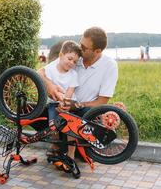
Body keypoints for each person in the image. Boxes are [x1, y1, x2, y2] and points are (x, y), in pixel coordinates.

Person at [39, 27, 118, 159]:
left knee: (82, 149)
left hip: (86, 113)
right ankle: (58, 143)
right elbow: (40, 72)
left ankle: (72, 148)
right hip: (61, 107)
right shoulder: (74, 57)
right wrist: (50, 86)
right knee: (32, 110)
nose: (79, 48)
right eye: (80, 43)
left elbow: (102, 102)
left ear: (97, 51)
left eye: (84, 47)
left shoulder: (109, 66)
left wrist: (74, 105)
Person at [42, 40, 82, 159]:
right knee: (53, 124)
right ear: (61, 55)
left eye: (74, 61)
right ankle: (55, 145)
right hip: (54, 103)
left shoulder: (73, 74)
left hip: (68, 104)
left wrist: (65, 102)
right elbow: (44, 82)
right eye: (69, 59)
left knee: (71, 126)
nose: (71, 63)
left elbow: (70, 92)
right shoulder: (50, 69)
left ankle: (71, 153)